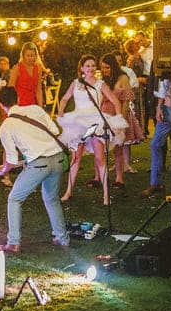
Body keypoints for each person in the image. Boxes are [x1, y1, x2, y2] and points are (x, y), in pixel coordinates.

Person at [0, 87, 70, 253]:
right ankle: (62, 239)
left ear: (1, 104)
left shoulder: (6, 126)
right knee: (51, 199)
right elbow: (55, 131)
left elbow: (11, 161)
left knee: (14, 199)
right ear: (18, 97)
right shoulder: (35, 109)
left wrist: (1, 171)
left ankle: (13, 243)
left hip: (39, 165)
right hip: (58, 159)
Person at [56, 55, 127, 203]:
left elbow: (115, 101)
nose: (91, 68)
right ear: (82, 68)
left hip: (96, 122)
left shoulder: (100, 84)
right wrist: (61, 110)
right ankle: (68, 191)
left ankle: (106, 195)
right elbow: (64, 98)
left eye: (93, 65)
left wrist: (119, 117)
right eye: (87, 65)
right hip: (79, 122)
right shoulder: (76, 83)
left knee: (100, 157)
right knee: (76, 157)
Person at [94, 53, 144, 189]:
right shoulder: (103, 80)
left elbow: (126, 101)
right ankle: (98, 176)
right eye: (103, 67)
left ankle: (119, 178)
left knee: (118, 148)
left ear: (114, 67)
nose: (104, 70)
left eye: (107, 68)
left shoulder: (122, 78)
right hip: (105, 114)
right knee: (100, 146)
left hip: (118, 114)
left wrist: (120, 120)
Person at [140, 75, 171, 198]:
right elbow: (162, 88)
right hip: (166, 106)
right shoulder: (164, 68)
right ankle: (156, 183)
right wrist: (159, 107)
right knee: (156, 144)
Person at [115, 49, 142, 174]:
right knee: (114, 138)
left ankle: (126, 163)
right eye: (116, 61)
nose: (118, 63)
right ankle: (117, 163)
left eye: (120, 60)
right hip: (112, 108)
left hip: (126, 105)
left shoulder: (127, 72)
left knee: (126, 136)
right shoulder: (109, 73)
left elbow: (135, 85)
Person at [8, 42, 44, 107]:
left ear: (36, 56)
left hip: (32, 103)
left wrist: (40, 107)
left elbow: (38, 89)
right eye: (27, 55)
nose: (30, 58)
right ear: (23, 56)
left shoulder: (38, 68)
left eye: (32, 55)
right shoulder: (16, 68)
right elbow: (11, 89)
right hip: (19, 103)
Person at [135, 31, 154, 137]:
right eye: (138, 41)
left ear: (146, 37)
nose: (140, 43)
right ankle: (144, 129)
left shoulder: (155, 46)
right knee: (145, 103)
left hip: (156, 75)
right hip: (146, 77)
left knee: (154, 102)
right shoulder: (140, 51)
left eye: (141, 40)